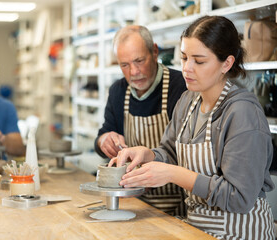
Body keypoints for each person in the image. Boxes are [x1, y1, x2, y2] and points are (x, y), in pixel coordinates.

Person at [109, 16, 275, 239]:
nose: (187, 68)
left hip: (239, 232)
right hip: (198, 230)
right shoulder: (188, 101)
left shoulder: (243, 113)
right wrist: (147, 154)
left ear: (226, 63)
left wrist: (171, 173)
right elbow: (169, 153)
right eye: (184, 58)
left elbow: (239, 198)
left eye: (199, 61)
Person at [94, 25, 187, 216]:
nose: (134, 72)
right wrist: (104, 140)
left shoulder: (181, 87)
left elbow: (189, 153)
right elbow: (104, 133)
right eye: (124, 65)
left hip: (176, 204)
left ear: (154, 51)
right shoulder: (118, 91)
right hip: (132, 202)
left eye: (139, 61)